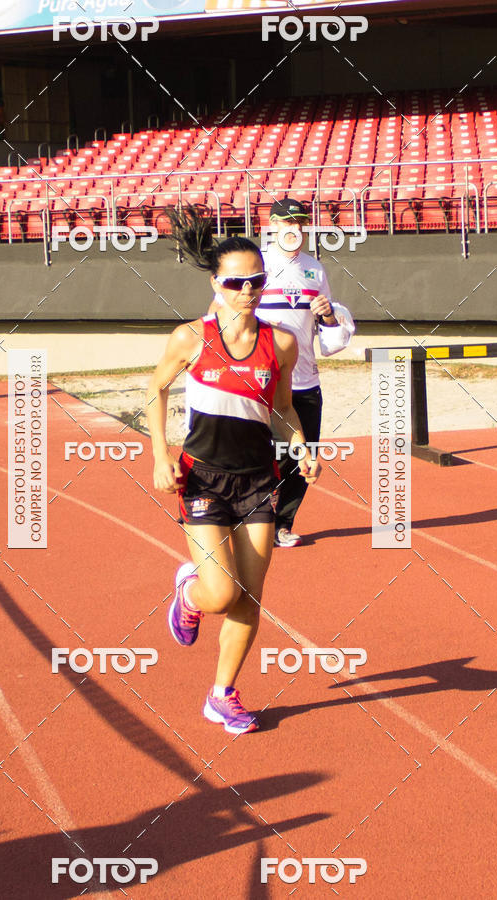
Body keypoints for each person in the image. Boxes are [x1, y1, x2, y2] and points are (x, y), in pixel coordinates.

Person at [146, 205, 320, 735]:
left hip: (258, 481)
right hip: (202, 477)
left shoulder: (281, 343)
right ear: (216, 284)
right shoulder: (190, 338)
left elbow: (283, 408)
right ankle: (189, 592)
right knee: (221, 593)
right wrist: (159, 455)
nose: (248, 290)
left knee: (249, 595)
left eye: (257, 281)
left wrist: (302, 447)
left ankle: (222, 694)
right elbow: (154, 389)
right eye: (236, 282)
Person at [211, 197, 355, 547]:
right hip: (260, 380)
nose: (294, 229)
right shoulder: (255, 265)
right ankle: (246, 520)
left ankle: (281, 524)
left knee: (301, 457)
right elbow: (219, 315)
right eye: (287, 222)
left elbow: (330, 335)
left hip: (304, 380)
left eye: (300, 223)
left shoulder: (315, 269)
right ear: (272, 226)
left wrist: (329, 314)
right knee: (258, 456)